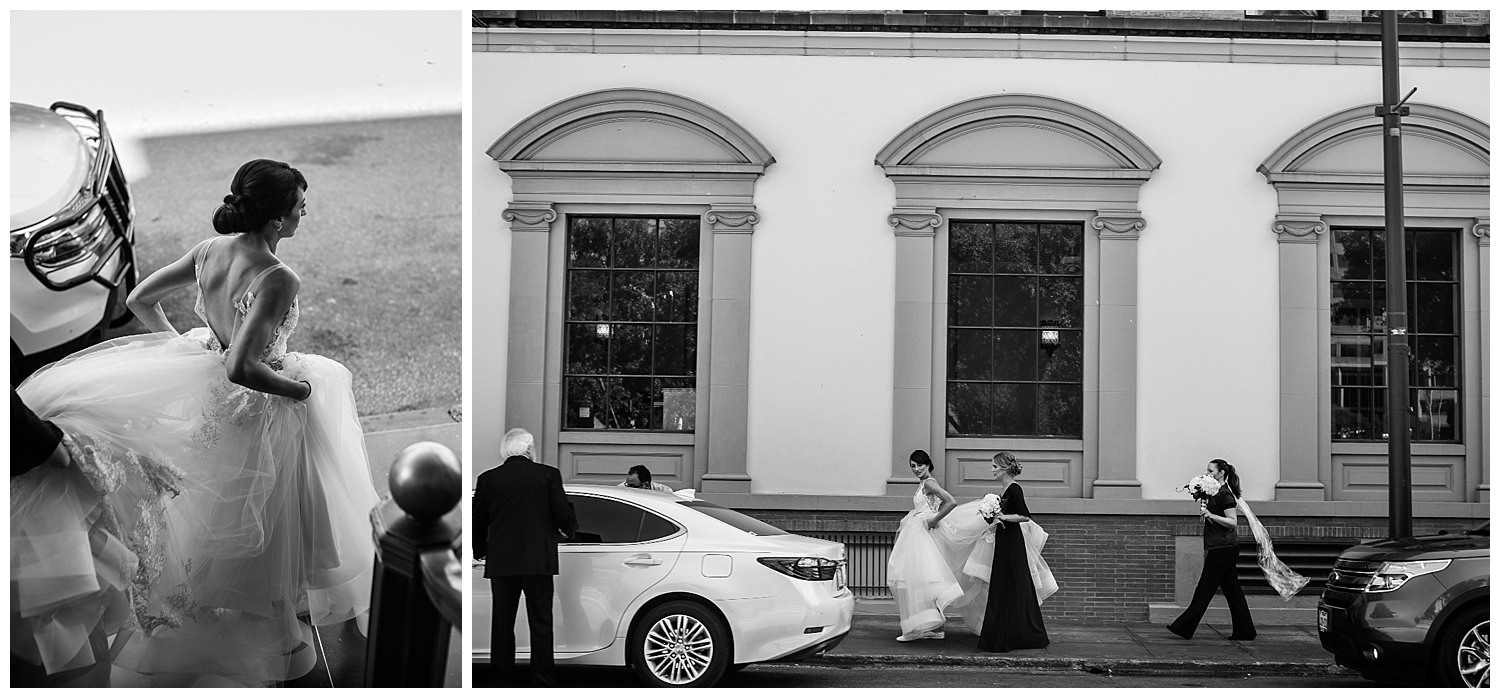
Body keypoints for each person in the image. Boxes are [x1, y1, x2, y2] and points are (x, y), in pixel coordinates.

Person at [12, 158, 381, 686]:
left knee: (215, 504)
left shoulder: (210, 251)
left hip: (214, 404)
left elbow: (141, 299)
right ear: (277, 219)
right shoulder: (278, 277)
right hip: (258, 408)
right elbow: (243, 366)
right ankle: (266, 615)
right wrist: (299, 388)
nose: (305, 214)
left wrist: (184, 343)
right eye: (301, 206)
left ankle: (208, 598)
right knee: (266, 512)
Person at [473, 428, 578, 687]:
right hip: (538, 561)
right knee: (541, 625)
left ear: (505, 451)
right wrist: (569, 529)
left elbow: (478, 522)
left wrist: (480, 552)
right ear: (530, 449)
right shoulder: (548, 475)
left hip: (502, 562)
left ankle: (501, 679)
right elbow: (562, 514)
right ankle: (543, 680)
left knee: (502, 625)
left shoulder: (488, 479)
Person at [1168, 459, 1256, 641]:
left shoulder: (1226, 495)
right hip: (1219, 546)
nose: (1207, 473)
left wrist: (1211, 515)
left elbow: (1233, 523)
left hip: (1224, 547)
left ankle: (1184, 627)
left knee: (1205, 588)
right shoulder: (1214, 492)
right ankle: (1245, 631)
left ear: (1221, 473)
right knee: (1232, 591)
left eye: (1210, 470)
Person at [886, 449, 963, 642]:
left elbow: (951, 502)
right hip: (917, 533)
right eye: (913, 466)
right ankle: (932, 628)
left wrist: (932, 520)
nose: (916, 469)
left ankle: (918, 628)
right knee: (922, 581)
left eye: (920, 465)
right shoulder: (924, 484)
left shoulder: (929, 483)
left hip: (921, 534)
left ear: (928, 464)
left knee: (919, 580)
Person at [976, 452, 1050, 652]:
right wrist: (992, 518)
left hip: (1012, 542)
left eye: (994, 466)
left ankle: (1020, 633)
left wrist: (1002, 517)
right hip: (1004, 539)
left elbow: (1025, 516)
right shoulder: (1004, 489)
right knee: (1004, 585)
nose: (991, 470)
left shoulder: (1015, 489)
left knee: (1013, 584)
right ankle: (1007, 631)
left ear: (1005, 468)